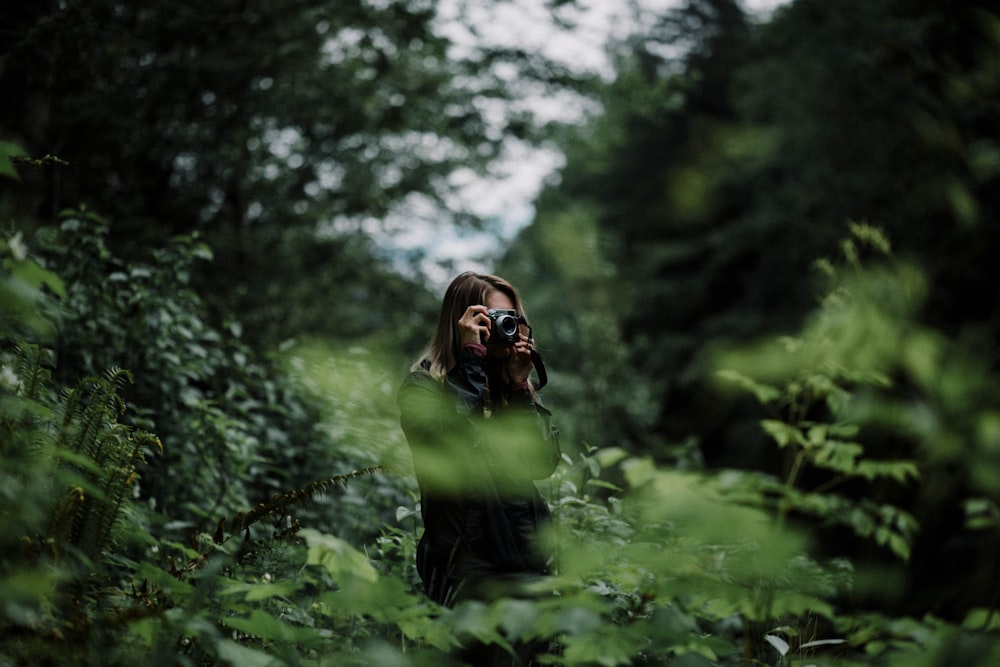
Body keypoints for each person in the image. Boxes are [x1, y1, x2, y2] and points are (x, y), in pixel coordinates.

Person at [397, 272, 560, 660]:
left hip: (528, 568)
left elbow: (542, 464)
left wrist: (521, 388)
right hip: (465, 571)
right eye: (493, 318)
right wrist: (470, 360)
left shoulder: (514, 389)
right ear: (463, 321)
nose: (507, 328)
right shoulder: (423, 387)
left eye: (513, 319)